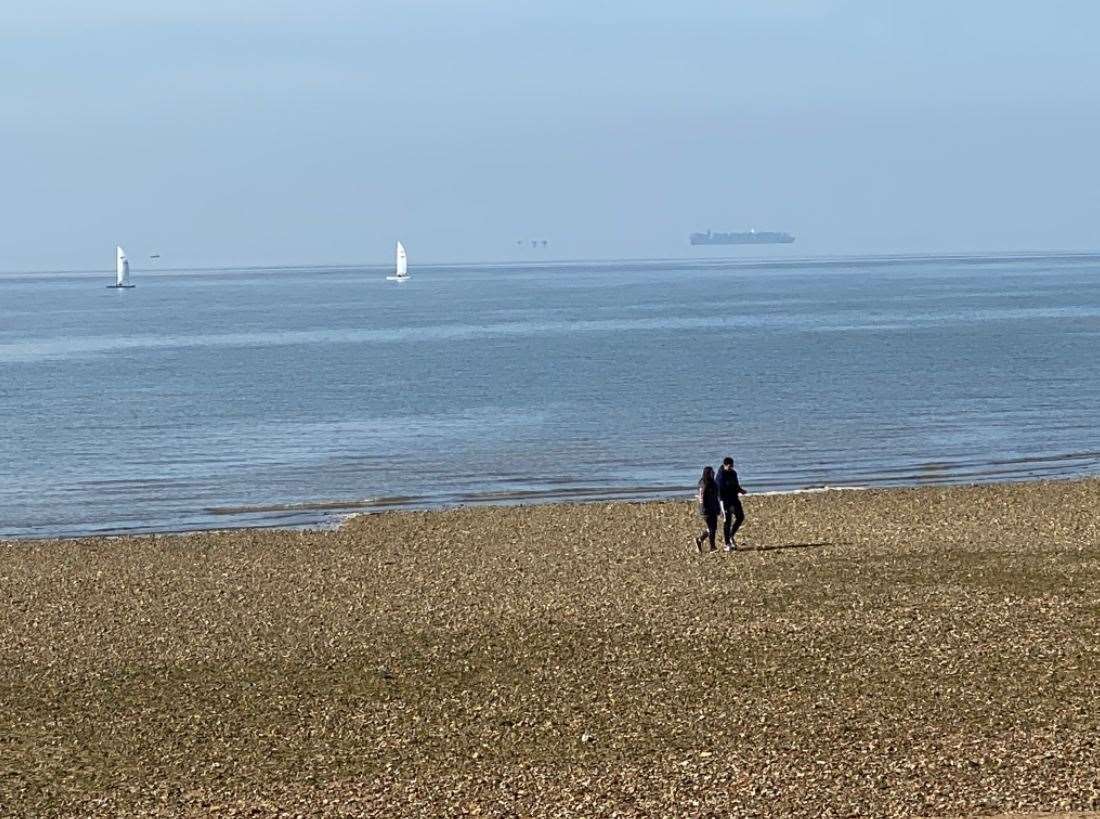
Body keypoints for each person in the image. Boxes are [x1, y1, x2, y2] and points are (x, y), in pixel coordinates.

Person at [716, 456, 747, 551]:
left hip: (734, 499)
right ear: (725, 465)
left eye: (732, 466)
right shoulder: (720, 476)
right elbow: (719, 492)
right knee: (727, 521)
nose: (731, 468)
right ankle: (727, 543)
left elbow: (736, 485)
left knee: (740, 517)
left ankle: (731, 535)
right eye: (729, 466)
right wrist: (720, 507)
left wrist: (741, 490)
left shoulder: (733, 473)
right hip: (724, 501)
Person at [694, 465, 720, 552]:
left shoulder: (704, 482)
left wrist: (717, 507)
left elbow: (714, 496)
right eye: (712, 472)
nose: (714, 473)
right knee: (712, 528)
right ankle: (712, 547)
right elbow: (704, 496)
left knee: (712, 527)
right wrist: (705, 508)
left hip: (710, 508)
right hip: (708, 509)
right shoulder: (707, 484)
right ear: (708, 474)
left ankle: (699, 540)